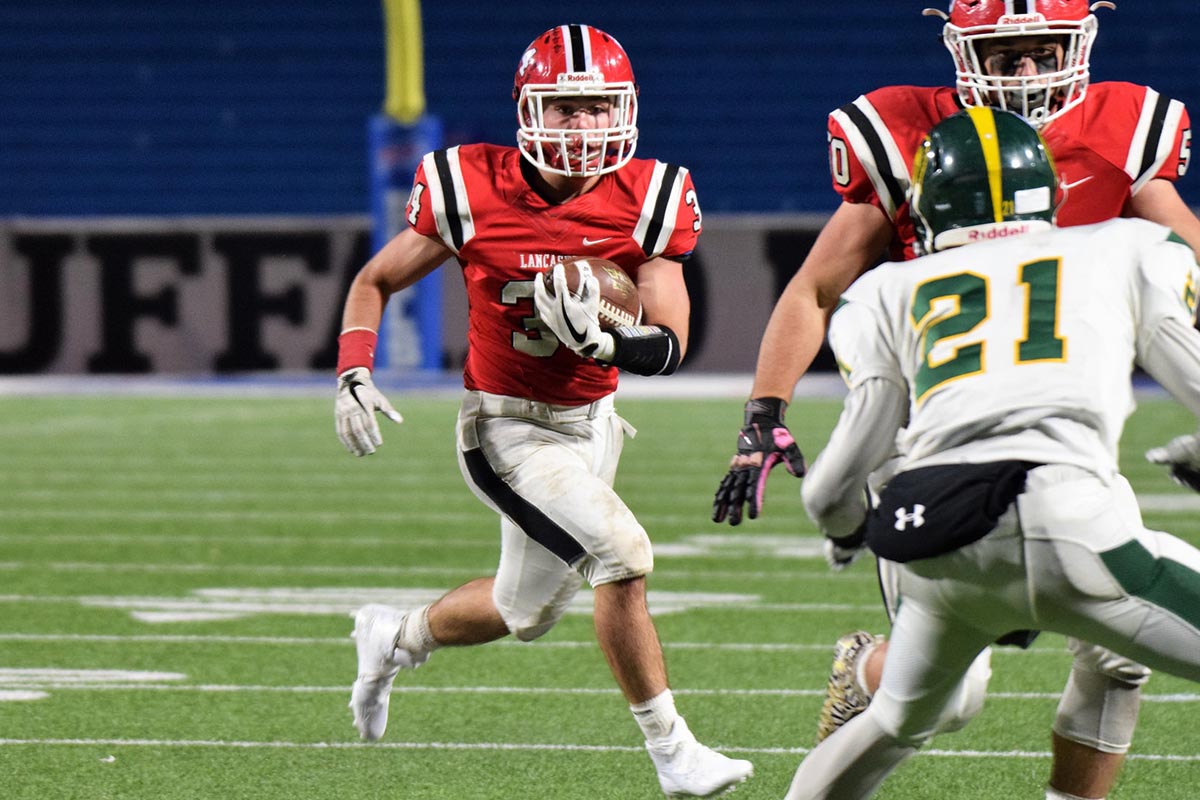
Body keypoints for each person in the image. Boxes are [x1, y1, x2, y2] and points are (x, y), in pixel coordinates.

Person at [711, 3, 1198, 797]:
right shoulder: (909, 136)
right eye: (1006, 55)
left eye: (1043, 52)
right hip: (930, 442)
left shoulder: (1123, 135)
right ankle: (865, 667)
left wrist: (834, 516)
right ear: (963, 51)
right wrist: (763, 415)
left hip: (1058, 431)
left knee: (1119, 657)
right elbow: (817, 287)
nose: (1027, 73)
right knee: (948, 701)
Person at [332, 24, 752, 799]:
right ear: (530, 111)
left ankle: (391, 637)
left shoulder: (650, 197)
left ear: (623, 110)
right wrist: (353, 367)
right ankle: (675, 754)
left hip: (593, 424)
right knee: (624, 556)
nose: (584, 127)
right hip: (506, 428)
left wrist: (608, 345)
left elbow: (671, 343)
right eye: (565, 109)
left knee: (521, 610)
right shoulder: (470, 186)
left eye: (597, 109)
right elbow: (374, 280)